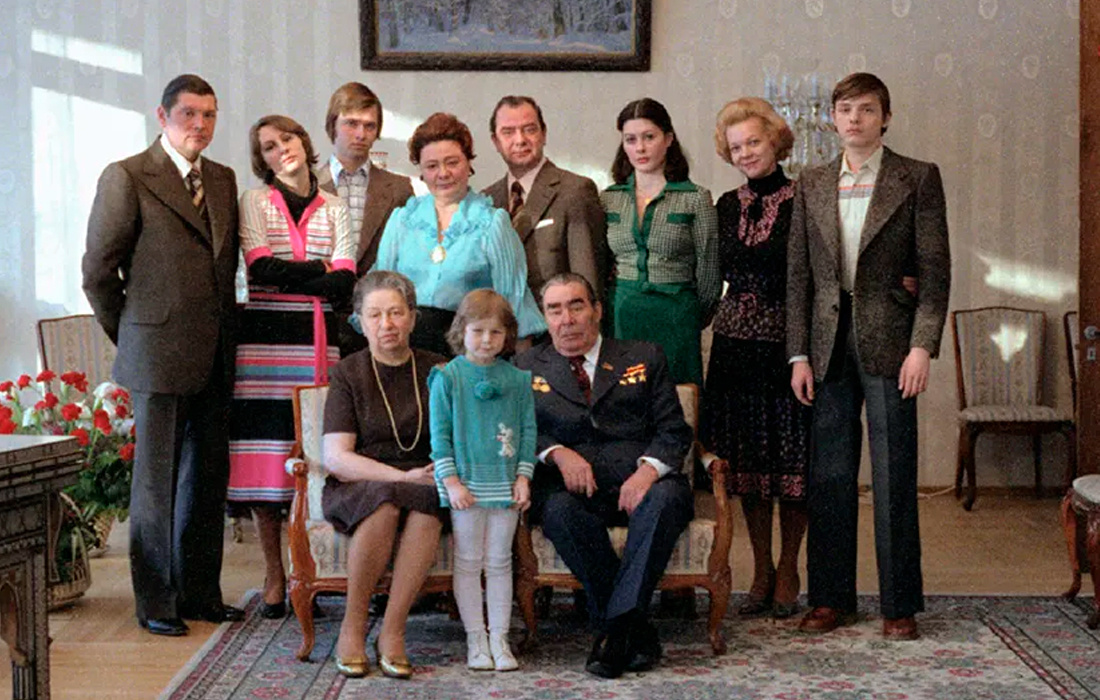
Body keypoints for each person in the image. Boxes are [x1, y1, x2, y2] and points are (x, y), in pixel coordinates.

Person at [787, 73, 951, 641]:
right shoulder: (811, 182)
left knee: (893, 474)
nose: (854, 119)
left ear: (886, 117)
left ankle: (899, 604)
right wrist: (798, 354)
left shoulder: (917, 177)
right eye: (845, 109)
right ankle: (829, 599)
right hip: (826, 345)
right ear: (832, 118)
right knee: (829, 477)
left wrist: (922, 347)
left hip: (892, 341)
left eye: (866, 109)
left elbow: (934, 274)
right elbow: (799, 277)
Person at [82, 74, 243, 636]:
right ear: (162, 116)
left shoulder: (221, 178)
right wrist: (132, 334)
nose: (200, 124)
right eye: (189, 114)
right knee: (155, 484)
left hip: (215, 349)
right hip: (155, 351)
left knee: (207, 477)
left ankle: (200, 594)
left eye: (209, 114)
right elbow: (98, 273)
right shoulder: (127, 176)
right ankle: (156, 602)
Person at [514, 273, 694, 679]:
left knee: (666, 501)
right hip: (572, 489)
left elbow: (674, 431)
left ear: (596, 310)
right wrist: (558, 453)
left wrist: (647, 473)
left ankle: (613, 631)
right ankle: (633, 630)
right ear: (544, 318)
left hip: (644, 483)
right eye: (554, 310)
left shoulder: (644, 356)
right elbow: (518, 431)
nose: (566, 319)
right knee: (557, 511)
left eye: (576, 306)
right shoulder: (525, 367)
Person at [228, 115, 357, 620]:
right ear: (260, 159)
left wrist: (300, 276)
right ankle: (273, 575)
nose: (280, 149)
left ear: (304, 142)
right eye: (267, 146)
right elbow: (260, 267)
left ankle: (311, 569)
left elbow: (345, 280)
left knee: (316, 457)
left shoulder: (336, 206)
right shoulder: (254, 201)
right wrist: (318, 269)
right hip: (263, 343)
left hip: (318, 340)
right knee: (266, 456)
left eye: (286, 138)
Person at [701, 97, 811, 619]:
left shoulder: (805, 199)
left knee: (791, 461)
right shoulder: (725, 204)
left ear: (775, 142)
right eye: (737, 145)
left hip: (786, 348)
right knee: (745, 465)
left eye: (754, 142)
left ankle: (789, 566)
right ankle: (761, 567)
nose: (746, 152)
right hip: (732, 349)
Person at [321, 271, 447, 679]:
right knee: (385, 504)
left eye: (395, 312)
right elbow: (336, 456)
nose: (386, 324)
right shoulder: (348, 372)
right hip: (361, 478)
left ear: (412, 317)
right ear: (359, 321)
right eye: (374, 315)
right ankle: (353, 626)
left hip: (422, 476)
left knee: (427, 505)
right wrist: (398, 477)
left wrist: (431, 473)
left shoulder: (438, 369)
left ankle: (393, 630)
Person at [372, 112, 546, 356]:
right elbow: (380, 293)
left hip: (471, 353)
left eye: (452, 162)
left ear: (468, 164)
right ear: (421, 170)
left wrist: (518, 369)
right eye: (432, 166)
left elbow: (513, 300)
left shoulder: (492, 223)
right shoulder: (401, 220)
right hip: (405, 352)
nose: (443, 173)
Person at [429, 289, 536, 672]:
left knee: (500, 561)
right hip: (466, 486)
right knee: (469, 561)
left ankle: (499, 638)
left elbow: (527, 431)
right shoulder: (447, 378)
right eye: (478, 331)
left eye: (495, 332)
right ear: (462, 331)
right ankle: (476, 638)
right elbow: (439, 436)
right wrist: (451, 482)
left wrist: (523, 477)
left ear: (507, 335)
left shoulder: (518, 380)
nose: (487, 340)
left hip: (505, 484)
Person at [601, 98, 719, 385]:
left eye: (649, 137)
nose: (640, 148)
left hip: (676, 314)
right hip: (622, 312)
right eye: (631, 140)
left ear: (668, 139)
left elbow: (709, 269)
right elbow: (601, 262)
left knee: (678, 399)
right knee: (624, 398)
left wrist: (692, 314)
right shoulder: (609, 198)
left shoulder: (695, 198)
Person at [316, 82, 415, 356]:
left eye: (370, 126)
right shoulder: (306, 186)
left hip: (380, 320)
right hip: (320, 311)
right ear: (333, 125)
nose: (361, 134)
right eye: (351, 123)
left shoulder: (399, 189)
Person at [482, 95, 608, 302]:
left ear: (544, 133)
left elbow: (588, 280)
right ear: (495, 141)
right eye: (508, 132)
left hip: (555, 319)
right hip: (500, 320)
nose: (520, 140)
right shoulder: (486, 200)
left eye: (529, 129)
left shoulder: (575, 191)